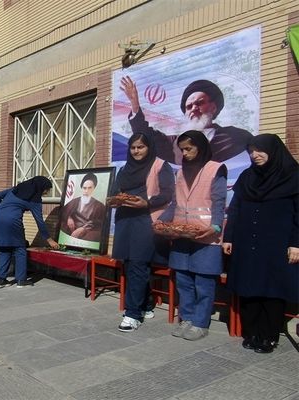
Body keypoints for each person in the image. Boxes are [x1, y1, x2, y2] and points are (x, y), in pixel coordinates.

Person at [222, 134, 299, 353]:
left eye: (259, 150)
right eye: (251, 151)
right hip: (247, 242)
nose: (254, 155)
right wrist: (229, 237)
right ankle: (252, 332)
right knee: (249, 288)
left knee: (272, 290)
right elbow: (235, 208)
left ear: (273, 150)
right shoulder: (247, 177)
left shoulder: (292, 176)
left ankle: (269, 336)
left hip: (277, 243)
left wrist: (296, 243)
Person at [158, 130, 227, 341]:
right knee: (183, 280)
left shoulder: (215, 169)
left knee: (203, 282)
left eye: (189, 148)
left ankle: (200, 322)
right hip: (182, 235)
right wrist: (161, 221)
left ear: (200, 146)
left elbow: (219, 201)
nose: (185, 153)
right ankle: (186, 318)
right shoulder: (180, 172)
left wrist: (215, 227)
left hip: (206, 236)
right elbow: (175, 203)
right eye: (182, 150)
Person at [108, 133, 174, 332]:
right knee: (130, 264)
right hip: (124, 219)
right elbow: (114, 191)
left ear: (149, 148)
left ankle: (132, 314)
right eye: (133, 147)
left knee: (138, 262)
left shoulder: (161, 165)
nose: (136, 151)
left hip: (145, 220)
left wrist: (147, 202)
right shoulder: (124, 169)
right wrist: (113, 200)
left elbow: (168, 193)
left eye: (140, 147)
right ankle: (146, 304)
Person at [120, 76, 253, 164]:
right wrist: (134, 105)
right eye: (189, 107)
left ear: (213, 107)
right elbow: (145, 135)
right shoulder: (174, 143)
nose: (194, 109)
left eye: (199, 103)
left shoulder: (236, 136)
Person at [0, 176, 60, 288]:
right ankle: (21, 280)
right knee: (20, 248)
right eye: (46, 190)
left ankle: (0, 279)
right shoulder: (35, 200)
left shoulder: (16, 189)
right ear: (41, 187)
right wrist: (49, 240)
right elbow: (40, 221)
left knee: (5, 248)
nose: (46, 193)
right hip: (12, 221)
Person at [59, 172, 106, 242]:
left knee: (93, 236)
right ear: (81, 188)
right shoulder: (74, 202)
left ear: (94, 188)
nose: (86, 191)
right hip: (72, 229)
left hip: (87, 231)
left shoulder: (99, 206)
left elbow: (98, 222)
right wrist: (69, 218)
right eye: (84, 188)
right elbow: (64, 212)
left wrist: (83, 229)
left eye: (90, 188)